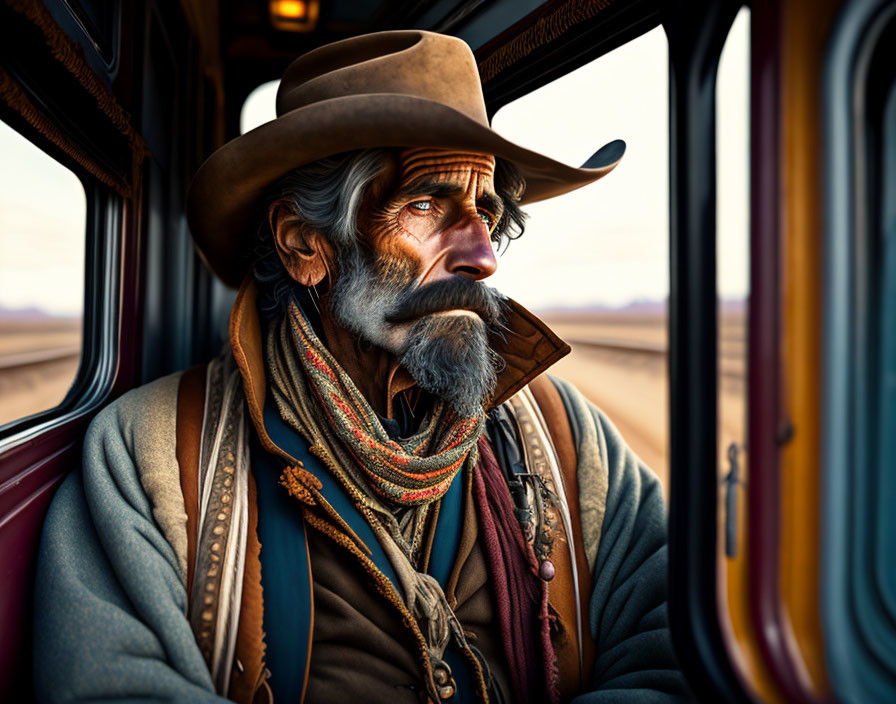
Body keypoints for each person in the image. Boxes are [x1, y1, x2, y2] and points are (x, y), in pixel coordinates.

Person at [33, 30, 687, 704]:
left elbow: (676, 654)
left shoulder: (565, 438)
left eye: (485, 212)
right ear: (304, 245)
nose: (483, 256)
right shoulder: (154, 457)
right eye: (426, 205)